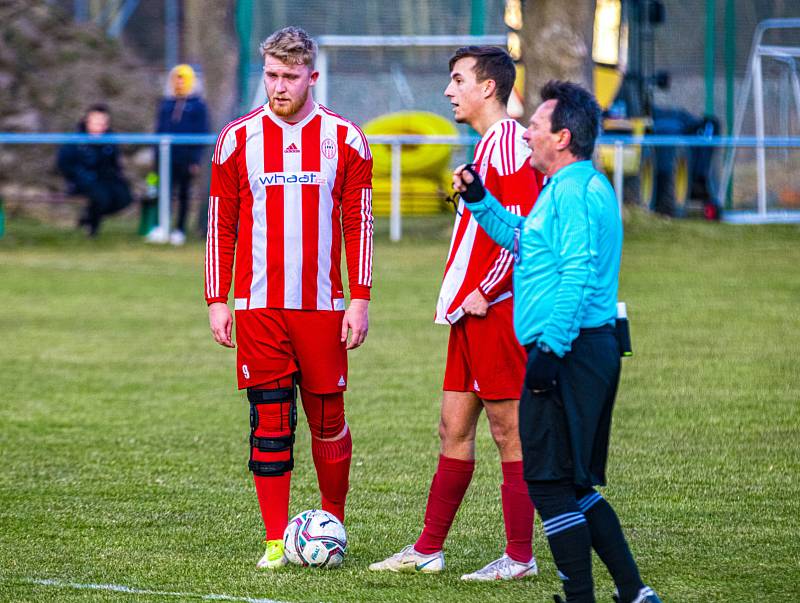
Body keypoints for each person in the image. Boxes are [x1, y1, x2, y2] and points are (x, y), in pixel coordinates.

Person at [451, 80, 662, 603]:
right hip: (579, 348)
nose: (525, 134)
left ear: (562, 137)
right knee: (572, 486)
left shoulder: (573, 193)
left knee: (547, 482)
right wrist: (480, 200)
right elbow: (525, 241)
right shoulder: (568, 188)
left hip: (571, 351)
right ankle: (634, 593)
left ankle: (580, 597)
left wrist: (549, 350)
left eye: (536, 127)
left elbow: (577, 275)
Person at [370, 46, 544, 581]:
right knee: (451, 428)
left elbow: (524, 233)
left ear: (487, 87)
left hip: (496, 312)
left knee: (507, 432)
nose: (448, 90)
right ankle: (427, 549)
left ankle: (520, 557)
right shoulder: (486, 147)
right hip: (469, 315)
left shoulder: (511, 144)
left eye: (457, 79)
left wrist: (487, 292)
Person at [204, 26, 373, 570]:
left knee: (327, 419)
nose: (279, 87)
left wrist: (360, 298)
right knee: (269, 421)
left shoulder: (346, 139)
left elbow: (358, 223)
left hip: (324, 308)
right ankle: (276, 540)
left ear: (312, 77)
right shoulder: (237, 139)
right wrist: (217, 298)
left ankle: (332, 522)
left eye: (290, 77)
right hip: (258, 307)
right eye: (271, 75)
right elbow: (221, 226)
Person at [150, 63, 209, 245]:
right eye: (177, 79)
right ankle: (162, 226)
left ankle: (180, 229)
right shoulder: (166, 103)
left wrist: (195, 159)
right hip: (165, 157)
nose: (179, 83)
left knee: (184, 193)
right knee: (163, 192)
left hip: (185, 158)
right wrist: (156, 154)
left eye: (183, 79)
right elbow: (159, 129)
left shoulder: (198, 106)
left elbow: (202, 132)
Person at [57, 104, 133, 237]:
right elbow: (64, 163)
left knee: (125, 198)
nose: (100, 125)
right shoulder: (76, 140)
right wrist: (80, 176)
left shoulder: (110, 140)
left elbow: (115, 163)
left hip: (107, 179)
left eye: (103, 122)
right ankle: (92, 229)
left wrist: (118, 176)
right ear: (87, 121)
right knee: (101, 198)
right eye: (96, 121)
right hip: (84, 180)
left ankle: (87, 218)